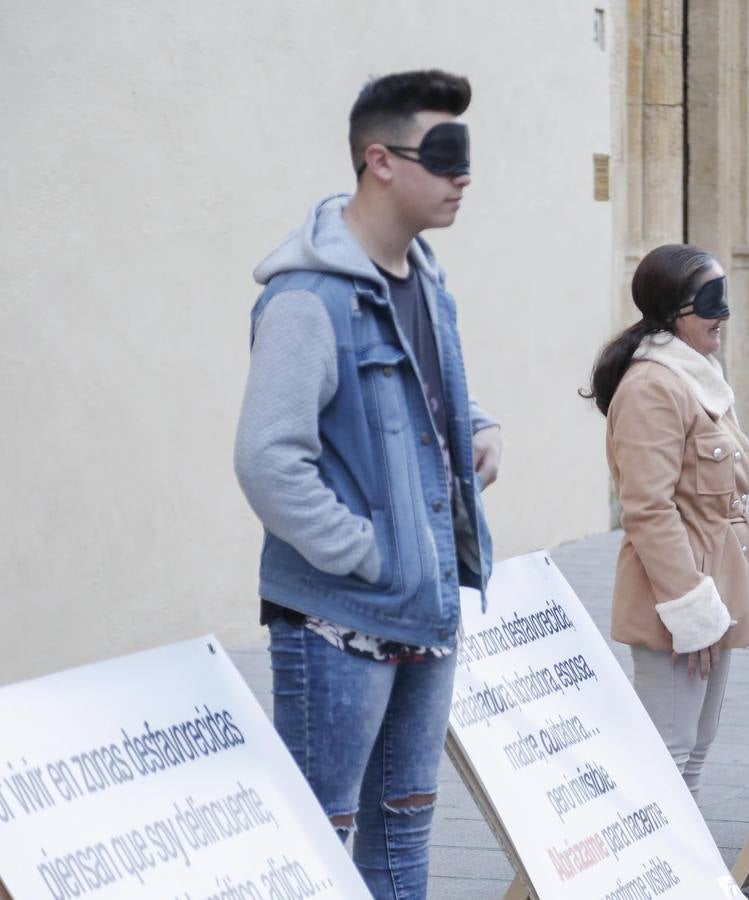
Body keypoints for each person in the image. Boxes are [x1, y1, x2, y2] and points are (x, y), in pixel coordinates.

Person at [234, 69, 502, 898]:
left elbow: (423, 382)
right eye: (445, 157)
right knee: (323, 835)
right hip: (338, 619)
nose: (464, 177)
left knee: (404, 825)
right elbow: (268, 458)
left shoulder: (426, 278)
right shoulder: (307, 299)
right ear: (379, 161)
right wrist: (369, 554)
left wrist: (475, 422)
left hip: (426, 604)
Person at [582, 244, 749, 799]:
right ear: (673, 312)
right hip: (676, 594)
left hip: (710, 587)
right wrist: (690, 609)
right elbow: (646, 508)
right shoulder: (653, 386)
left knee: (696, 746)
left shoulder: (697, 376)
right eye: (710, 301)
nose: (724, 315)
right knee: (667, 752)